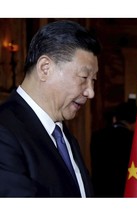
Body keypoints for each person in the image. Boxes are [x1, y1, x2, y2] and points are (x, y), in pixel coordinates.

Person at [0, 20, 101, 197]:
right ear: (45, 68)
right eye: (84, 77)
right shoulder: (4, 131)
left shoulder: (62, 134)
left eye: (93, 80)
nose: (90, 92)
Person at [90, 99, 137, 197]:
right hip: (125, 191)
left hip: (100, 190)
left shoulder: (97, 136)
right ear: (135, 122)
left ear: (115, 118)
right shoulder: (134, 139)